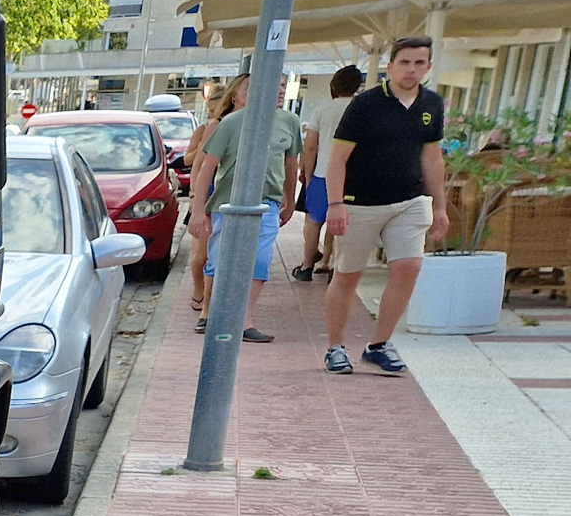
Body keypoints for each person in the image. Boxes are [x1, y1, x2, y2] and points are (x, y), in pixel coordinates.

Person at [321, 37, 448, 375]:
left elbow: (432, 158)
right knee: (348, 275)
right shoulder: (365, 105)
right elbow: (337, 159)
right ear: (390, 66)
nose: (412, 69)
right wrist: (336, 203)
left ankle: (378, 344)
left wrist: (440, 207)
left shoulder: (432, 104)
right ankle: (335, 346)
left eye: (419, 63)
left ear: (428, 67)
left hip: (410, 200)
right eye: (405, 62)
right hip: (360, 201)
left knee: (409, 267)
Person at [192, 79, 300, 343]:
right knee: (219, 259)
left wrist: (290, 198)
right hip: (228, 202)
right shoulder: (230, 123)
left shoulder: (289, 122)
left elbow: (291, 163)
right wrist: (197, 208)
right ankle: (209, 311)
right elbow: (207, 165)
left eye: (284, 84)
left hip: (268, 203)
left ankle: (244, 320)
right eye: (276, 83)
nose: (280, 89)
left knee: (260, 260)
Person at [291, 65, 364, 280]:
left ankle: (306, 266)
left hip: (323, 173)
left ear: (334, 85)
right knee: (341, 223)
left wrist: (307, 171)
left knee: (313, 221)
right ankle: (331, 264)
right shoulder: (361, 110)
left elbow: (311, 145)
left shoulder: (323, 110)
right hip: (352, 178)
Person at [184, 79, 242, 318]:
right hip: (209, 192)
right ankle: (200, 290)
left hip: (233, 191)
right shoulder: (215, 126)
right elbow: (195, 162)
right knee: (203, 251)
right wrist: (196, 194)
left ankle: (218, 298)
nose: (212, 114)